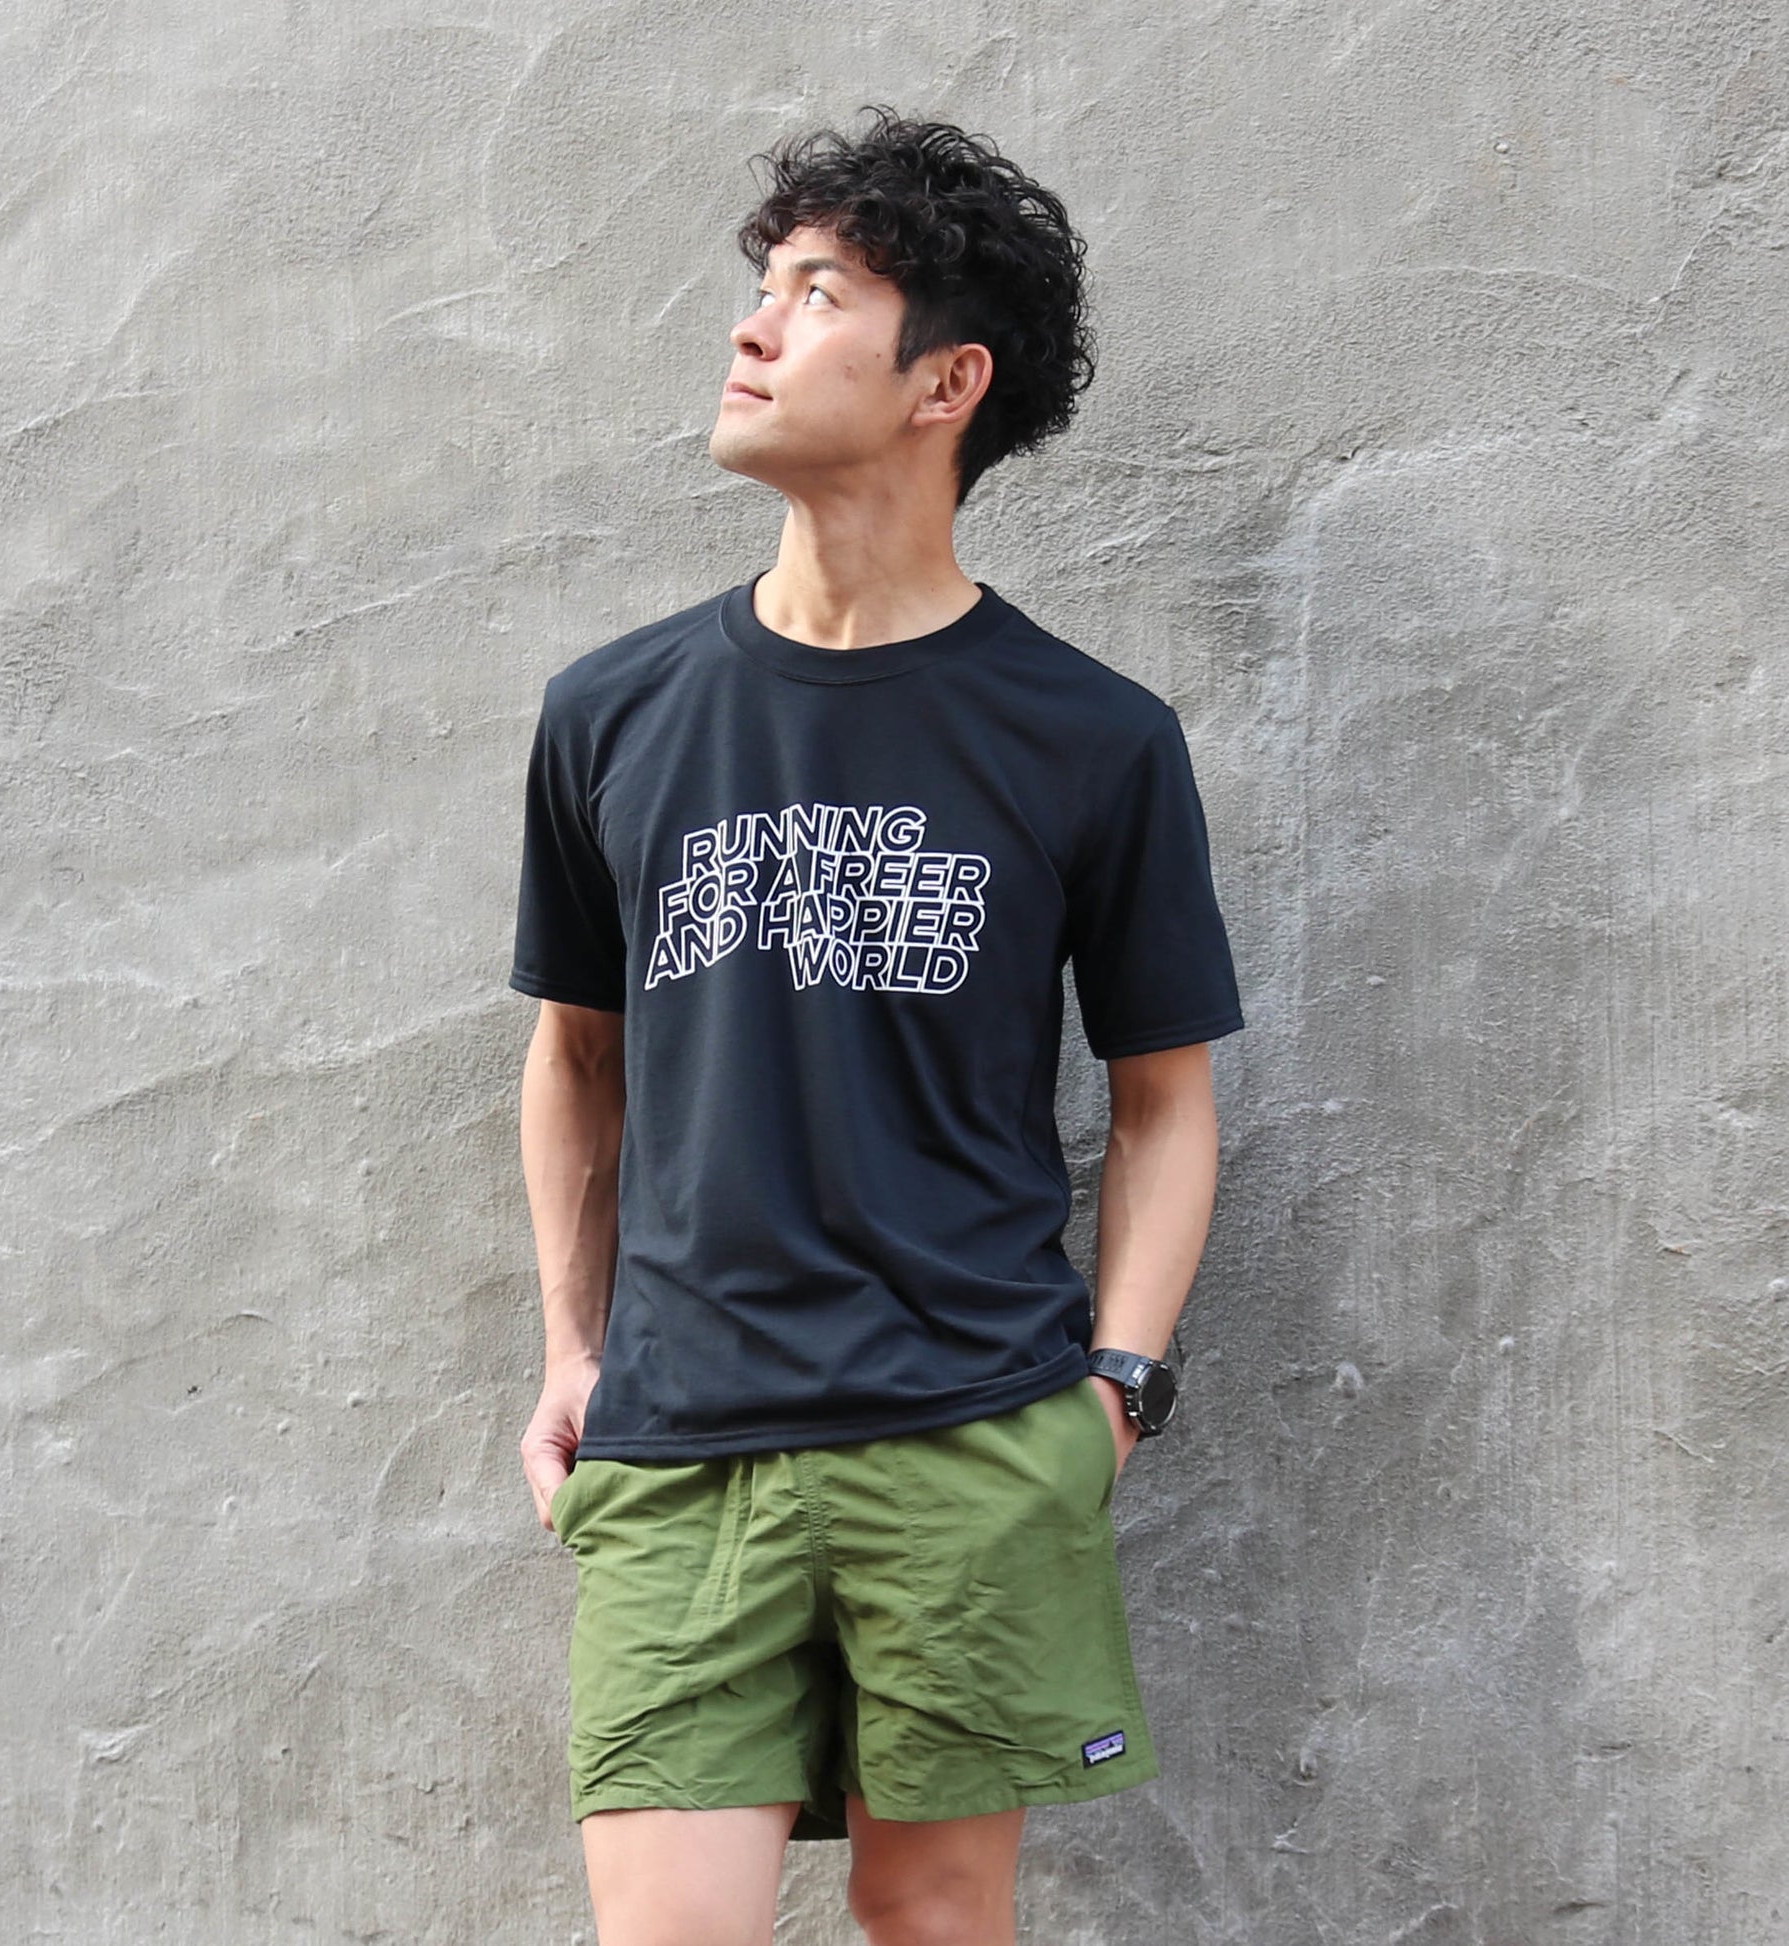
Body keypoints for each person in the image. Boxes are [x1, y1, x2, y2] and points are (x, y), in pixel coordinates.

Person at [509, 104, 1245, 1946]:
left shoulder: (1090, 737)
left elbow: (1163, 1100)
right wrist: (572, 1346)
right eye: (765, 285)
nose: (754, 325)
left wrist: (1118, 1387)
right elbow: (577, 1057)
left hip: (971, 1436)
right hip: (680, 1438)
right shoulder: (614, 714)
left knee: (933, 1915)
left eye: (819, 291)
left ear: (946, 382)